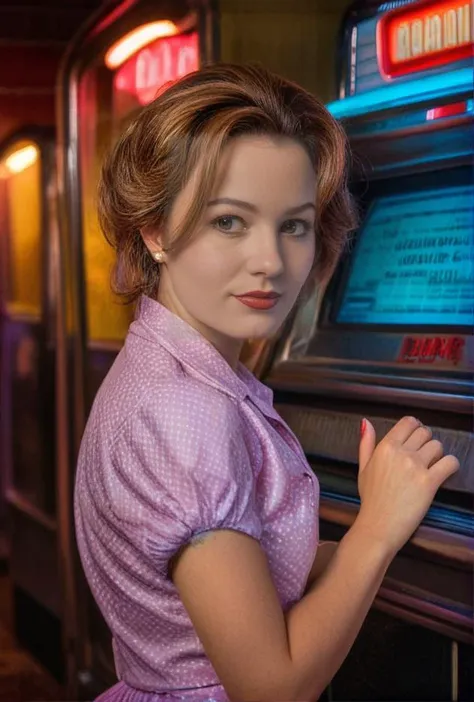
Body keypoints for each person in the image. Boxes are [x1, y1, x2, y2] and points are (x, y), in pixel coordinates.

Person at [74, 63, 459, 702]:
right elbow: (271, 687)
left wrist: (366, 539)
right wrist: (377, 529)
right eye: (230, 221)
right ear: (155, 230)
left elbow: (259, 577)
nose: (271, 263)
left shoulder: (176, 364)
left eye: (294, 225)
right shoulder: (184, 414)